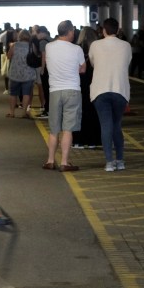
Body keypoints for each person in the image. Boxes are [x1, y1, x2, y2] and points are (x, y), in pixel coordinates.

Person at [88, 17, 132, 172]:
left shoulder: (95, 45)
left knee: (105, 126)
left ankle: (109, 162)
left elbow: (93, 63)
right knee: (116, 125)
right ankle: (120, 160)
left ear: (103, 31)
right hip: (120, 90)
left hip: (100, 90)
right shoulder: (126, 46)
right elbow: (127, 62)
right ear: (118, 30)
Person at [42, 20, 86, 172]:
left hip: (54, 91)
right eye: (73, 31)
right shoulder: (77, 49)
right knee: (68, 129)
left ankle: (50, 160)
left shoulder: (49, 46)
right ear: (68, 31)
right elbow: (83, 69)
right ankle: (65, 162)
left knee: (54, 129)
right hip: (72, 90)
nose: (74, 33)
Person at [72, 26, 101, 148]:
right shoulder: (98, 49)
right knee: (93, 112)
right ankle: (92, 141)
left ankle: (78, 140)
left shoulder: (76, 49)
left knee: (78, 112)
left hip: (79, 83)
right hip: (94, 83)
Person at [6, 30, 35, 119]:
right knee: (26, 93)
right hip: (28, 73)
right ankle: (24, 112)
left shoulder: (14, 45)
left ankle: (11, 112)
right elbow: (35, 56)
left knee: (13, 93)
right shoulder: (31, 46)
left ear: (20, 36)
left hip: (15, 73)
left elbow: (8, 56)